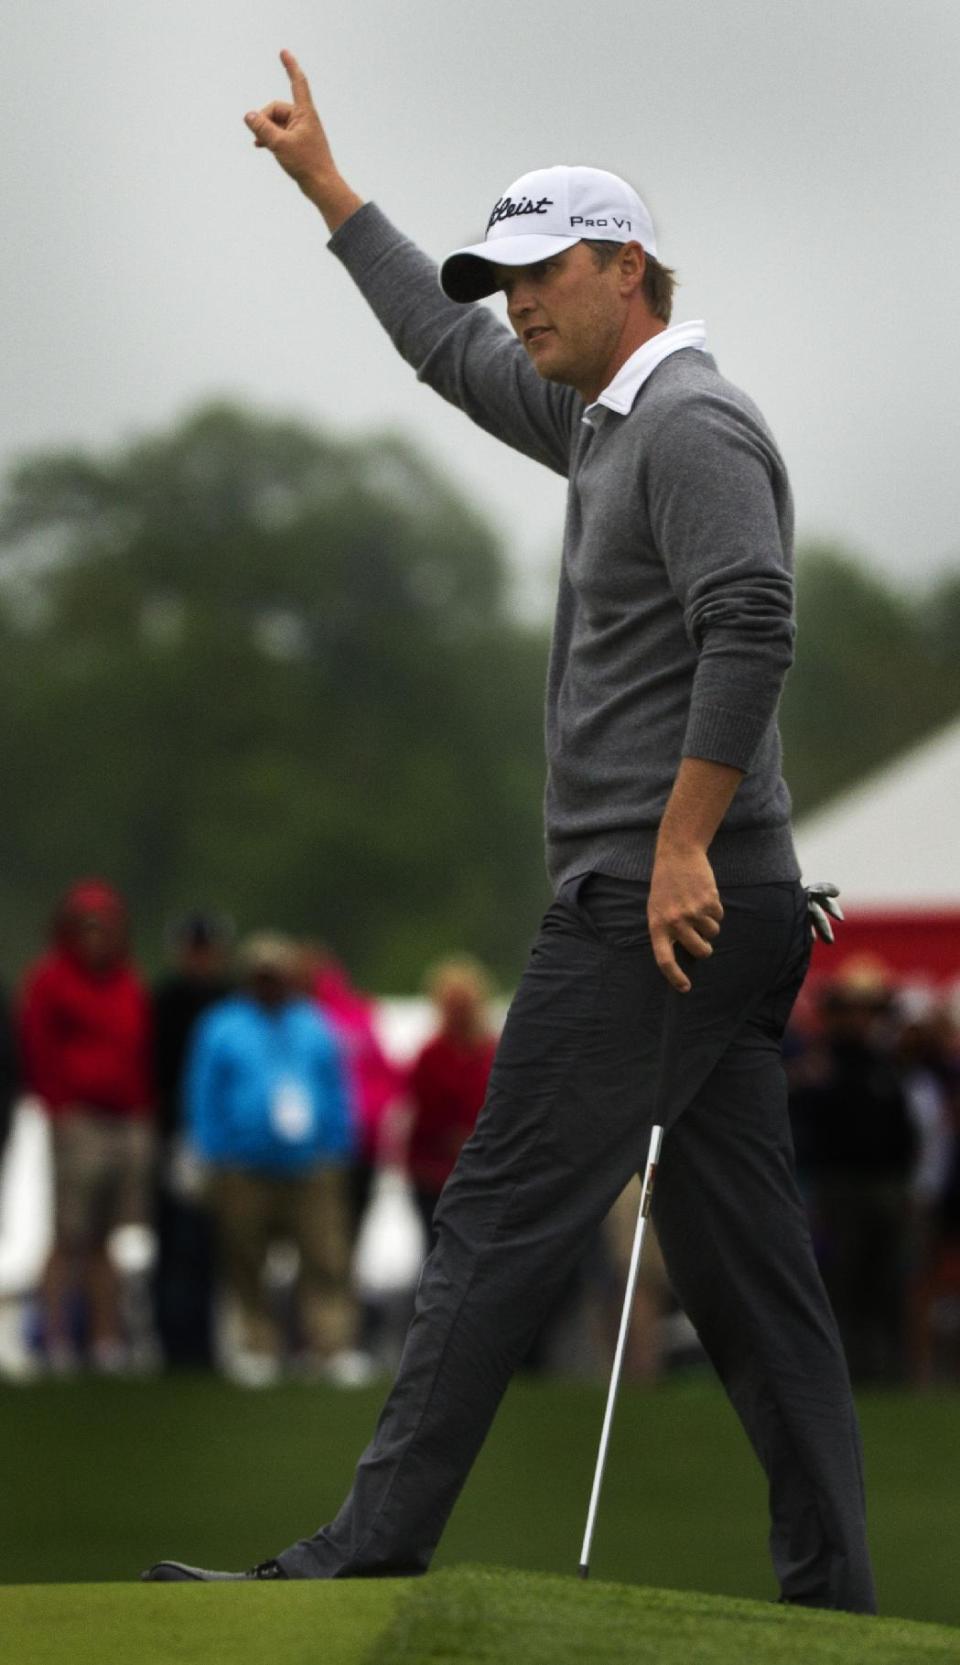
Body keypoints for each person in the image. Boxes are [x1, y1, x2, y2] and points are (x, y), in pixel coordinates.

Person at [144, 51, 876, 1613]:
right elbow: (440, 344)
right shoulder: (601, 422)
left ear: (625, 267)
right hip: (713, 904)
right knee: (749, 1272)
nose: (519, 303)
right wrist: (329, 191)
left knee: (491, 1213)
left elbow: (754, 623)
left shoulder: (689, 424)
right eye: (508, 277)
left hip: (657, 900)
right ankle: (833, 1592)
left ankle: (365, 1550)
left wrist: (681, 842)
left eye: (543, 274)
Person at [183, 933, 357, 1387]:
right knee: (245, 1255)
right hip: (243, 1162)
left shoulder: (314, 1024)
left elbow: (335, 1087)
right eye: (262, 975)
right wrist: (210, 1149)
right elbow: (203, 1092)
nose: (270, 984)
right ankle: (257, 1345)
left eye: (277, 975)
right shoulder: (222, 1025)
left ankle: (330, 1345)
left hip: (310, 1162)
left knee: (325, 1255)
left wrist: (338, 1145)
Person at [19, 879, 154, 1373]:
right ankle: (53, 1339)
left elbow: (139, 1052)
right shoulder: (51, 980)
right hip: (78, 1120)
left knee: (106, 1238)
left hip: (122, 1122)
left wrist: (141, 1110)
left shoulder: (127, 981)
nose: (96, 937)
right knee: (67, 1234)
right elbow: (39, 1048)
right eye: (87, 926)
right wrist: (58, 1107)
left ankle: (104, 1339)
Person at [152, 912, 234, 1368]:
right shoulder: (165, 1000)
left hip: (220, 1141)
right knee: (176, 1240)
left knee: (210, 1246)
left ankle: (204, 1344)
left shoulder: (227, 1001)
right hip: (177, 1136)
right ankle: (173, 1343)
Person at [405, 956, 497, 1244]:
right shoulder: (431, 1056)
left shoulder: (493, 1053)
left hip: (484, 1172)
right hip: (435, 1173)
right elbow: (423, 1114)